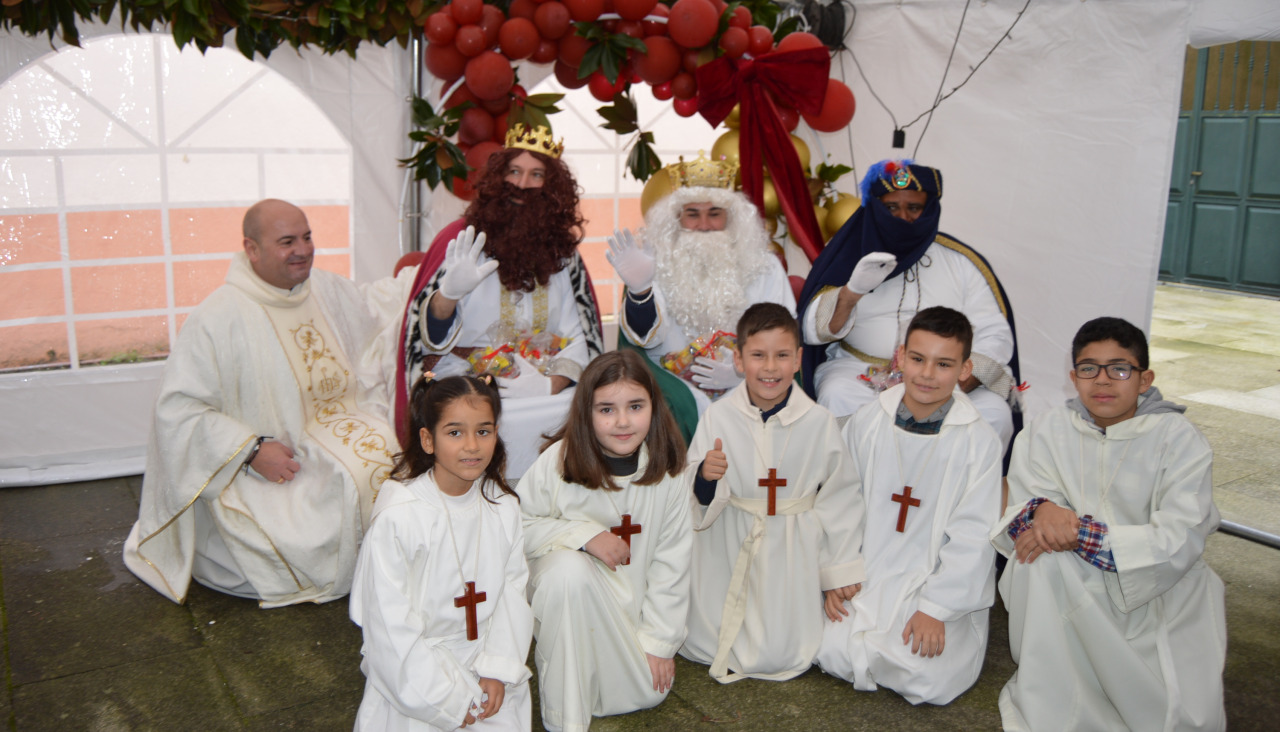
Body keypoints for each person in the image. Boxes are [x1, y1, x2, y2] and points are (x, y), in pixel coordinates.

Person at [124, 199, 410, 607]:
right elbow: (178, 410)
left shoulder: (327, 290)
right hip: (273, 462)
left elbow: (377, 313)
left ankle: (388, 565)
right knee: (347, 482)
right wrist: (250, 448)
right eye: (287, 241)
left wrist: (433, 286)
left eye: (308, 237)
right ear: (251, 249)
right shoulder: (218, 317)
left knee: (399, 453)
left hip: (340, 425)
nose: (303, 249)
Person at [992, 317, 1226, 730]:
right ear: (1073, 377)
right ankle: (1061, 699)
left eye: (1119, 368)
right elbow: (1023, 503)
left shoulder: (1178, 438)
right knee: (1039, 560)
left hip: (1152, 591)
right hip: (1067, 577)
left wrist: (1080, 532)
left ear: (1144, 378)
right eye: (1088, 369)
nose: (1102, 381)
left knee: (1175, 715)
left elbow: (1180, 536)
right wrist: (1040, 510)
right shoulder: (1049, 429)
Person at [816, 306, 1001, 705]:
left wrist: (937, 608)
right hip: (868, 571)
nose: (927, 374)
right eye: (917, 359)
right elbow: (839, 501)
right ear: (900, 357)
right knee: (825, 649)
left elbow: (974, 533)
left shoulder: (977, 442)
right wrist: (837, 573)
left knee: (924, 675)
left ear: (965, 368)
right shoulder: (869, 422)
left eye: (944, 364)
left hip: (930, 581)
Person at [397, 124, 605, 479]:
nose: (522, 185)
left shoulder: (562, 254)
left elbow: (580, 336)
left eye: (536, 174)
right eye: (514, 171)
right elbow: (426, 341)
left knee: (591, 414)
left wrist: (547, 385)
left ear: (552, 187)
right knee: (468, 416)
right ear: (498, 176)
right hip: (467, 378)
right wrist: (448, 295)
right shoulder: (460, 241)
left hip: (543, 383)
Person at [682, 302, 866, 683]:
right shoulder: (718, 416)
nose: (770, 368)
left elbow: (840, 497)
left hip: (791, 546)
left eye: (782, 356)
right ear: (738, 359)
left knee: (783, 646)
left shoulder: (819, 422)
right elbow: (692, 487)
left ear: (798, 359)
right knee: (711, 636)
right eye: (758, 356)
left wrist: (836, 573)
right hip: (730, 537)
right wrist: (705, 475)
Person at [517, 350, 692, 731]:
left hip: (632, 626)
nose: (623, 422)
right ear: (586, 413)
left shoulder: (670, 475)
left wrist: (659, 644)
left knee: (649, 690)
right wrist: (584, 536)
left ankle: (608, 671)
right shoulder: (558, 464)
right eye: (606, 410)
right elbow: (517, 529)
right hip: (570, 613)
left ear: (654, 407)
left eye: (635, 406)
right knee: (566, 571)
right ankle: (565, 720)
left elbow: (672, 563)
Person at [350, 375, 532, 731]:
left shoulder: (502, 506)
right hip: (416, 672)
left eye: (484, 431)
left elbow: (513, 595)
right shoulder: (400, 518)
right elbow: (389, 626)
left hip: (485, 662)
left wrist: (497, 669)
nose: (472, 446)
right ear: (428, 440)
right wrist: (446, 698)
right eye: (454, 432)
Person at [797, 159, 1020, 451]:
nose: (902, 218)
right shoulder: (845, 254)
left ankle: (954, 496)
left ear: (929, 210)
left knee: (995, 414)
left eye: (913, 208)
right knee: (838, 396)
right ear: (875, 207)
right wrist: (852, 292)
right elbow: (812, 332)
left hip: (945, 377)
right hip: (860, 373)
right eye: (891, 208)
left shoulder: (960, 262)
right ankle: (856, 495)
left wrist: (952, 379)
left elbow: (995, 335)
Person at [607, 153, 796, 440]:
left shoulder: (764, 265)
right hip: (670, 380)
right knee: (664, 410)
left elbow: (780, 333)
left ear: (731, 217)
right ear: (676, 218)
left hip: (745, 377)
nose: (705, 225)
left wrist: (743, 371)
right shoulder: (653, 261)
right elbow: (644, 340)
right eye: (692, 214)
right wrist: (640, 290)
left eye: (715, 213)